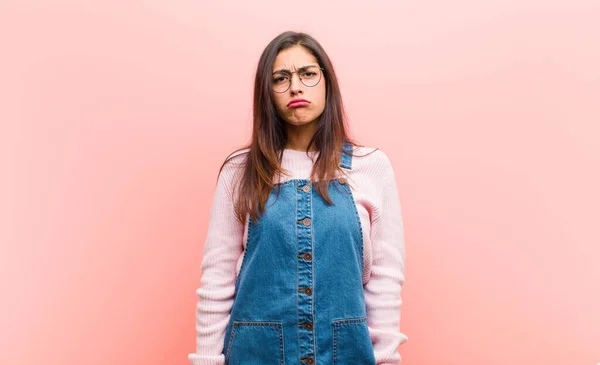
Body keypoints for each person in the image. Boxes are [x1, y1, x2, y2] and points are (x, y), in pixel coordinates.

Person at [188, 31, 407, 365]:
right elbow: (217, 279)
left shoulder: (371, 167)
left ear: (327, 83)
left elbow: (385, 281)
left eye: (308, 74)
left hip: (345, 354)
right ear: (267, 93)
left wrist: (385, 358)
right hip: (255, 354)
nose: (295, 86)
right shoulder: (240, 170)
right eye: (281, 78)